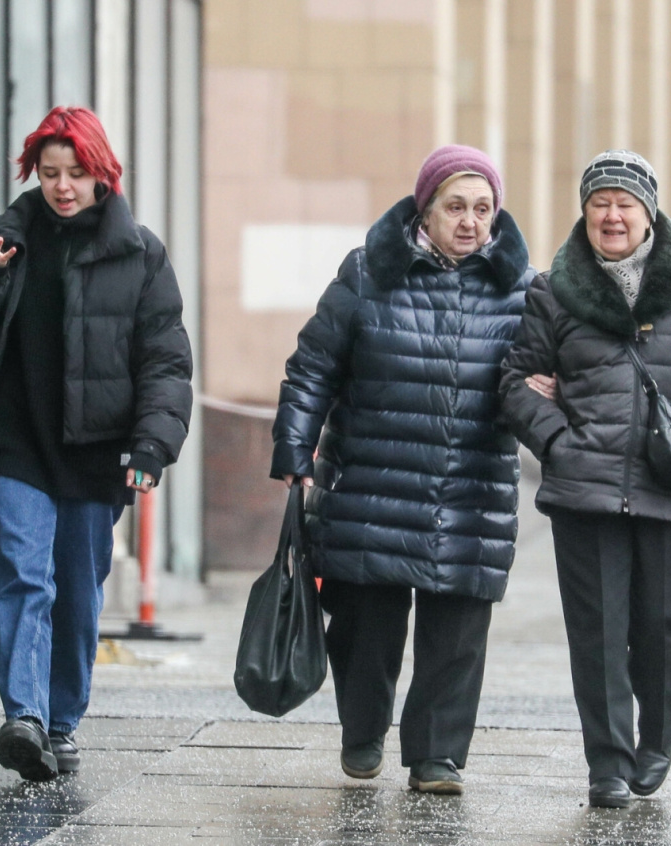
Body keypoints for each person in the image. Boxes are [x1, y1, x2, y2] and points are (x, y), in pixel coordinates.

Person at [0, 106, 192, 782]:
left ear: (102, 172)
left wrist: (153, 444)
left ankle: (61, 722)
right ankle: (23, 716)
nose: (62, 186)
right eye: (49, 173)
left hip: (95, 451)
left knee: (77, 592)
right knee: (21, 574)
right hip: (12, 443)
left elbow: (165, 360)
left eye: (76, 172)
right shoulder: (4, 240)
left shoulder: (140, 253)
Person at [270, 145, 535, 794]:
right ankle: (362, 733)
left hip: (472, 489)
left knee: (458, 634)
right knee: (364, 625)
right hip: (372, 485)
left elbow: (549, 373)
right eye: (456, 207)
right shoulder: (367, 273)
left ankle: (436, 756)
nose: (470, 221)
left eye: (483, 209)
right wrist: (294, 448)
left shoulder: (525, 291)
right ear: (425, 210)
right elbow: (313, 367)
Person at [499, 150, 671, 808]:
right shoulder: (553, 289)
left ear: (650, 213)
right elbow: (515, 381)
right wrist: (558, 441)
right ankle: (608, 765)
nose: (611, 216)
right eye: (599, 203)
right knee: (598, 633)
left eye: (625, 203)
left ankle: (657, 743)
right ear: (584, 212)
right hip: (585, 490)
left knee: (664, 627)